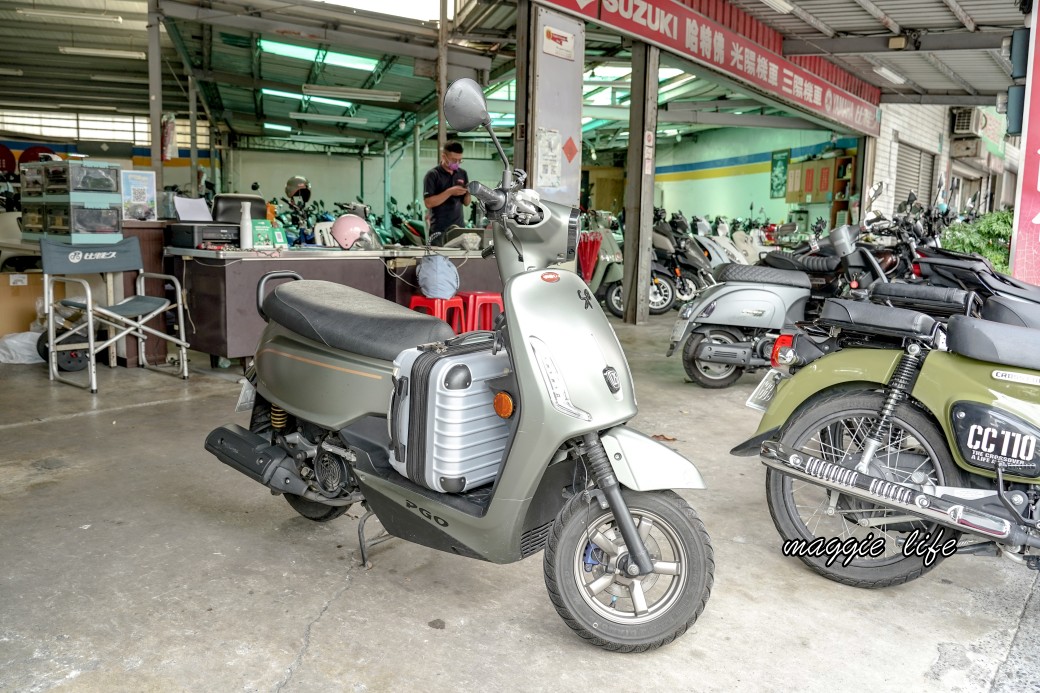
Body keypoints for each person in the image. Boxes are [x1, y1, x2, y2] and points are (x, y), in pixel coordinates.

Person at [423, 141, 470, 245]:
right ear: (444, 156)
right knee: (438, 259)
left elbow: (466, 203)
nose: (457, 163)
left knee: (459, 260)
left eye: (459, 160)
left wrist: (469, 192)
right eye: (454, 160)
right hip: (439, 230)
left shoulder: (462, 173)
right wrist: (450, 191)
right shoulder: (433, 175)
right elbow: (428, 203)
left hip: (458, 229)